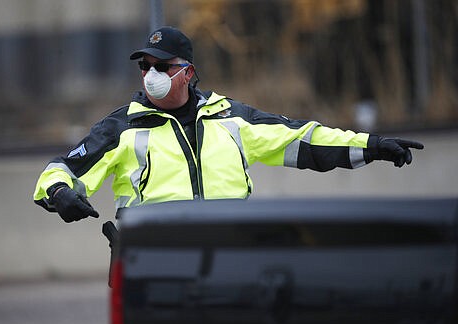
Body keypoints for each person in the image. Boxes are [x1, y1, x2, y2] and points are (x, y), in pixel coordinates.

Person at [33, 26, 424, 223]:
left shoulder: (230, 118)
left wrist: (370, 146)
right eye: (144, 66)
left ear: (187, 73)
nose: (150, 74)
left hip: (226, 258)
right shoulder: (121, 128)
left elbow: (303, 138)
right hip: (151, 263)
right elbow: (62, 169)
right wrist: (59, 195)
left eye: (162, 66)